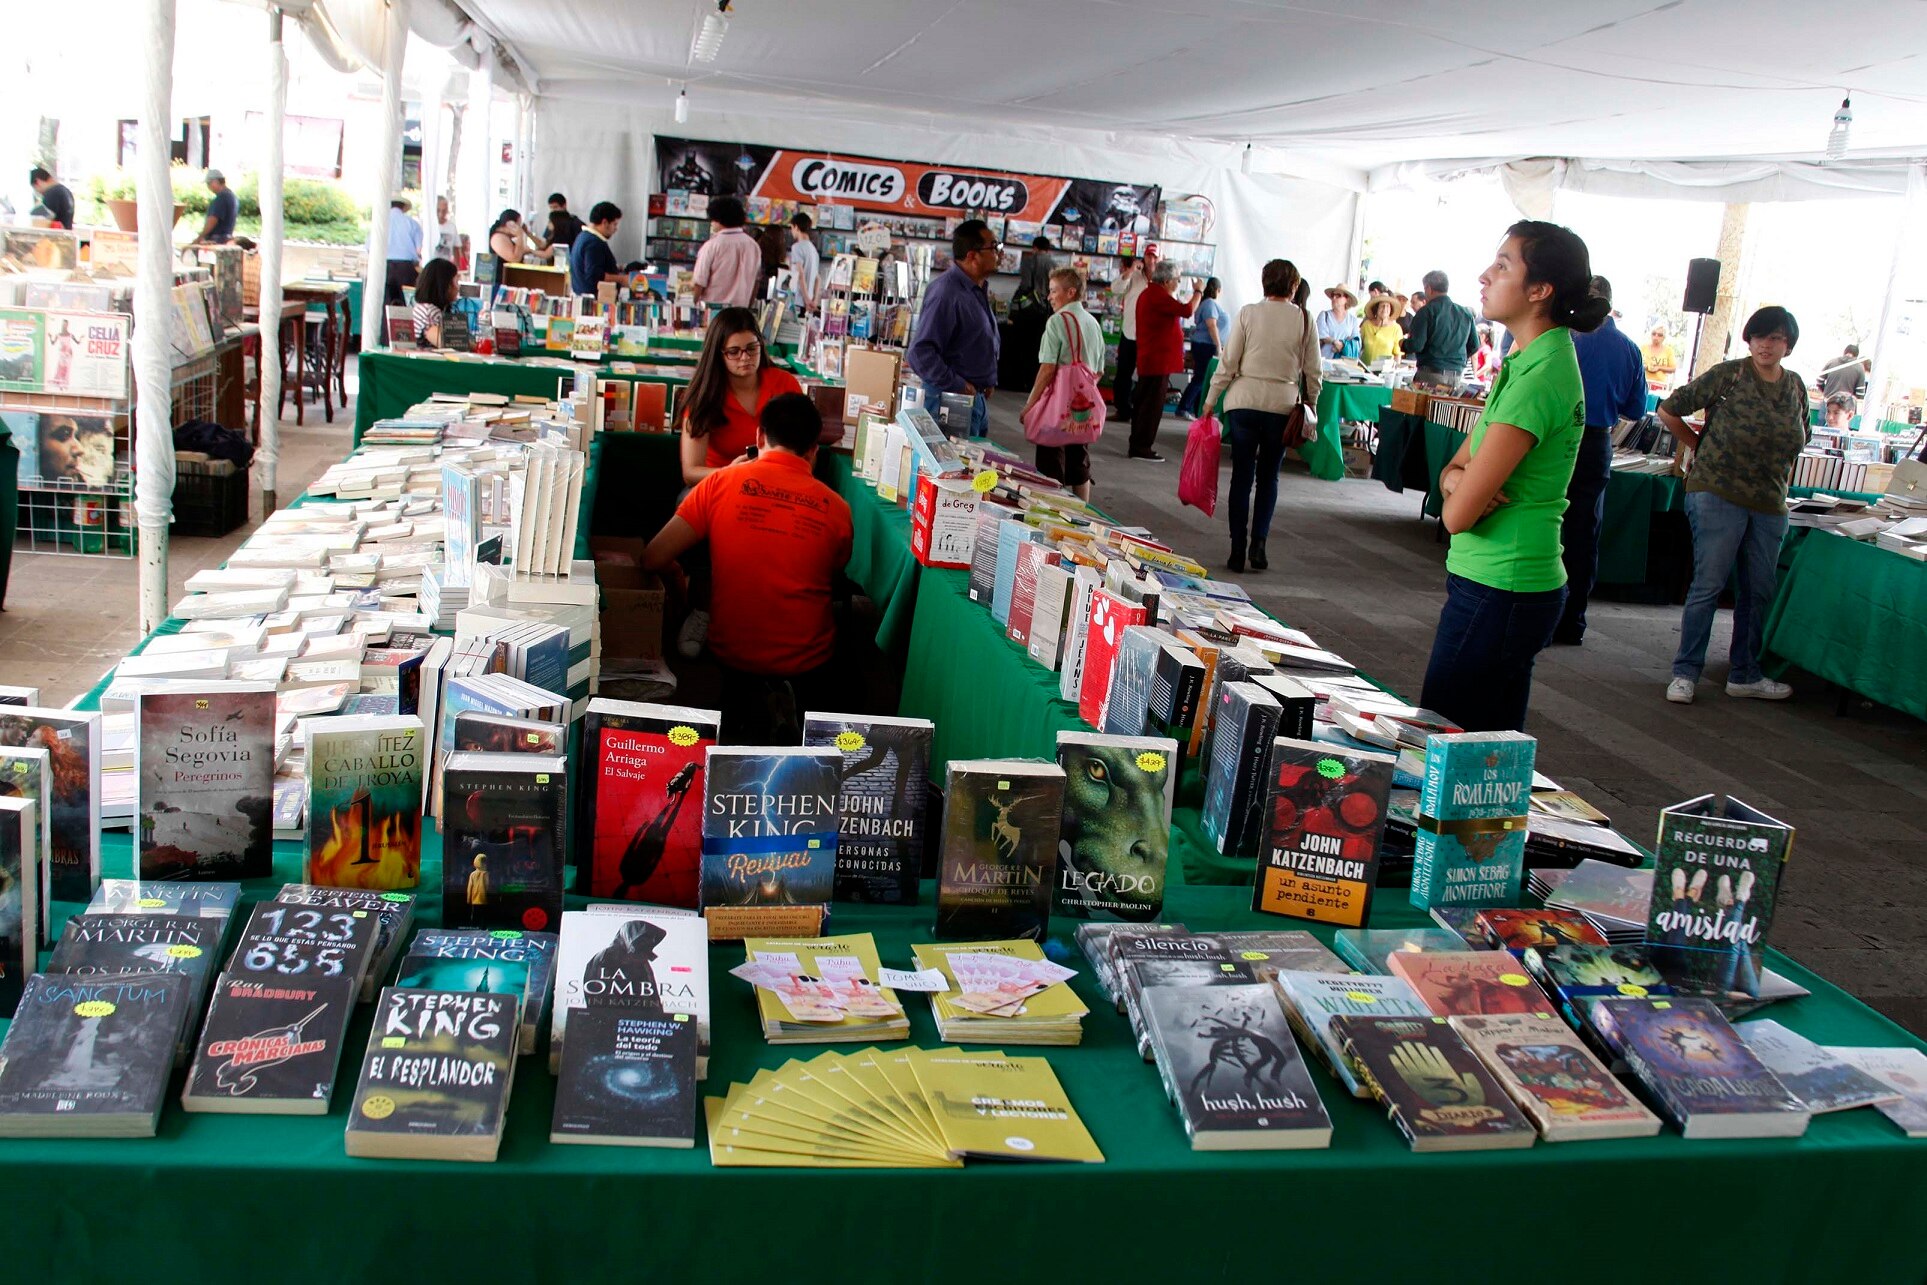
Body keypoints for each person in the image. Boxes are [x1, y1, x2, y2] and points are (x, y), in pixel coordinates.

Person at [1419, 221, 1607, 733]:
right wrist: (1459, 480)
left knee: (1444, 743)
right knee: (1484, 756)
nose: (1485, 275)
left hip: (1501, 586)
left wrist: (1459, 486)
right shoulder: (1527, 360)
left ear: (1540, 290)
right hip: (1499, 583)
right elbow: (1453, 470)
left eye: (1503, 266)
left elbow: (1455, 516)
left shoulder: (1541, 376)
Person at [644, 392, 854, 744]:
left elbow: (653, 557)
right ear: (813, 451)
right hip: (808, 660)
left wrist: (684, 599)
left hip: (732, 653)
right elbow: (835, 568)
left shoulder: (718, 484)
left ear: (759, 438)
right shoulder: (837, 508)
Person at [1656, 306, 1810, 704]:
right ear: (1749, 340)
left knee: (1759, 588)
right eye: (1759, 336)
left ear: (1787, 345)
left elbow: (1802, 436)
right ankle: (1685, 673)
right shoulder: (1730, 374)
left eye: (1776, 338)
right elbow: (1669, 409)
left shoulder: (1795, 386)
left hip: (1770, 500)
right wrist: (1697, 446)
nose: (1766, 344)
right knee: (1709, 584)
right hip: (1717, 492)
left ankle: (1745, 673)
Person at [1202, 259, 1322, 573]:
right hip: (1282, 406)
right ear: (1294, 287)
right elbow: (1314, 372)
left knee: (1241, 476)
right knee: (1269, 477)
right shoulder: (1305, 320)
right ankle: (1260, 544)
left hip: (1243, 402)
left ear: (1263, 283)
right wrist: (1312, 406)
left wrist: (1211, 400)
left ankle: (1236, 548)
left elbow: (1227, 363)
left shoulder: (1248, 313)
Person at [1555, 275, 1648, 646]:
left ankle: (1535, 614)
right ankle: (1572, 621)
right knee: (1583, 535)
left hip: (1554, 439)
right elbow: (1636, 408)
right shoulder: (1627, 349)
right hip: (1595, 444)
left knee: (1544, 523)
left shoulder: (1561, 339)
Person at [679, 305, 804, 486]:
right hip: (720, 483)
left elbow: (805, 451)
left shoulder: (785, 384)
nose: (745, 358)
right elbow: (690, 472)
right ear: (718, 354)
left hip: (775, 483)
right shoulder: (704, 396)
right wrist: (732, 472)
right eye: (734, 352)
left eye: (752, 348)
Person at [907, 219, 1000, 439]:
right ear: (972, 255)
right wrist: (959, 384)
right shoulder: (946, 293)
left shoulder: (975, 289)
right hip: (949, 402)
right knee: (951, 471)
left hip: (973, 400)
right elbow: (920, 353)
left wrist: (984, 381)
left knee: (969, 469)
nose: (999, 253)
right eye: (993, 247)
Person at [1018, 266, 1106, 501]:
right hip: (1084, 405)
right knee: (1079, 457)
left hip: (1057, 406)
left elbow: (1047, 368)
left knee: (1051, 457)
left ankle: (1052, 509)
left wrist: (1030, 405)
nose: (1049, 296)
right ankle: (1084, 513)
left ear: (1070, 292)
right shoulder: (1092, 323)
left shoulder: (1057, 322)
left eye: (1054, 290)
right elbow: (1099, 369)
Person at [1129, 262, 1200, 461]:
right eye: (1177, 280)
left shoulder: (1151, 294)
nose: (1178, 284)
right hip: (1157, 360)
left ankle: (1139, 444)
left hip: (1154, 358)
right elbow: (1187, 310)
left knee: (1146, 404)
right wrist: (1198, 292)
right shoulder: (1157, 295)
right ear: (1167, 281)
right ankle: (1141, 447)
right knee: (1151, 407)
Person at [1406, 269, 1479, 388]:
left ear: (1429, 289)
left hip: (1430, 374)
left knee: (1425, 406)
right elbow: (1474, 346)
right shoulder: (1465, 313)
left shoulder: (1426, 312)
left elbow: (1417, 345)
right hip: (1456, 376)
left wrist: (1403, 344)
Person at [691, 195, 763, 308]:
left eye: (712, 219)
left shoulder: (712, 245)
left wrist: (692, 306)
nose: (711, 223)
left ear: (719, 219)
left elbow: (699, 283)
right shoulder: (753, 246)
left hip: (713, 311)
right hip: (740, 311)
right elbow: (756, 282)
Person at [1109, 249, 1155, 417]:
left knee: (1147, 375)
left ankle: (1142, 410)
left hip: (1150, 335)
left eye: (1155, 257)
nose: (1151, 260)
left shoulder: (1162, 278)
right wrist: (1129, 271)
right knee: (1124, 372)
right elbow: (1116, 288)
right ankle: (1122, 409)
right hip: (1130, 331)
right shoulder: (1134, 275)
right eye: (1149, 256)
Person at [1177, 276, 1227, 419]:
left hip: (1204, 344)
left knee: (1202, 378)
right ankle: (1184, 407)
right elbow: (1211, 325)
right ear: (1218, 290)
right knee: (1201, 377)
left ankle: (1193, 408)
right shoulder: (1210, 304)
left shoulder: (1206, 303)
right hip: (1206, 345)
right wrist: (1218, 346)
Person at [568, 201, 622, 296]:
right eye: (614, 224)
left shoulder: (582, 236)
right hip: (595, 301)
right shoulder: (594, 243)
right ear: (605, 223)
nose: (615, 229)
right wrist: (623, 279)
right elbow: (594, 276)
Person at [381, 198, 423, 307]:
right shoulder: (412, 223)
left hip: (385, 267)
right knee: (407, 304)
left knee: (386, 305)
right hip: (406, 268)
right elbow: (419, 250)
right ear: (403, 208)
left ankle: (386, 324)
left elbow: (369, 248)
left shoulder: (380, 222)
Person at [410, 257, 459, 349]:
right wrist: (475, 346)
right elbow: (448, 343)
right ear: (445, 285)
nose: (458, 287)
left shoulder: (422, 307)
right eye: (456, 282)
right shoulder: (430, 311)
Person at [488, 209, 540, 279]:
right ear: (511, 224)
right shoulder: (498, 237)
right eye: (519, 225)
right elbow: (515, 258)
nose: (520, 228)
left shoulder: (505, 237)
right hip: (501, 280)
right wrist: (519, 235)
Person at [193, 169, 239, 245]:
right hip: (226, 239)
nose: (208, 187)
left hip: (216, 240)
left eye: (209, 183)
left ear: (216, 182)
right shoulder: (232, 196)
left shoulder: (221, 198)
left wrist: (200, 237)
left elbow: (212, 220)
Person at [1316, 284, 1361, 360]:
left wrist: (1343, 345)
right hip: (1324, 362)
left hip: (1344, 366)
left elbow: (1355, 342)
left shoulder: (1353, 320)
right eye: (1333, 295)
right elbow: (1321, 335)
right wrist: (1334, 342)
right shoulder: (1324, 315)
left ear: (1347, 299)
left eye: (1338, 295)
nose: (1334, 298)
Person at [787, 212, 822, 308]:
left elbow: (800, 274)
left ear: (796, 227)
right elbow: (818, 278)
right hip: (809, 301)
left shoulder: (797, 247)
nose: (791, 231)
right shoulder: (814, 250)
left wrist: (806, 300)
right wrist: (814, 300)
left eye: (792, 228)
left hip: (798, 300)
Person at [1819, 342, 1869, 407]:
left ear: (1844, 352)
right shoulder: (1859, 367)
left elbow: (1819, 380)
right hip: (1844, 407)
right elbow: (1860, 394)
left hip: (1827, 402)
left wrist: (1825, 391)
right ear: (1856, 356)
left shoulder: (1832, 362)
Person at [1360, 296, 1402, 366]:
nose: (1385, 309)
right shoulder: (1366, 325)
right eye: (1382, 306)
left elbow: (1397, 354)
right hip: (1364, 368)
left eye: (1388, 306)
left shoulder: (1396, 328)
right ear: (1376, 309)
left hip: (1384, 372)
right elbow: (1358, 346)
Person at [1015, 236, 1056, 306]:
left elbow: (1026, 285)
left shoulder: (1028, 261)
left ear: (1035, 248)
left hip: (1030, 303)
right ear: (1047, 249)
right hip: (1048, 304)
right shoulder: (1054, 264)